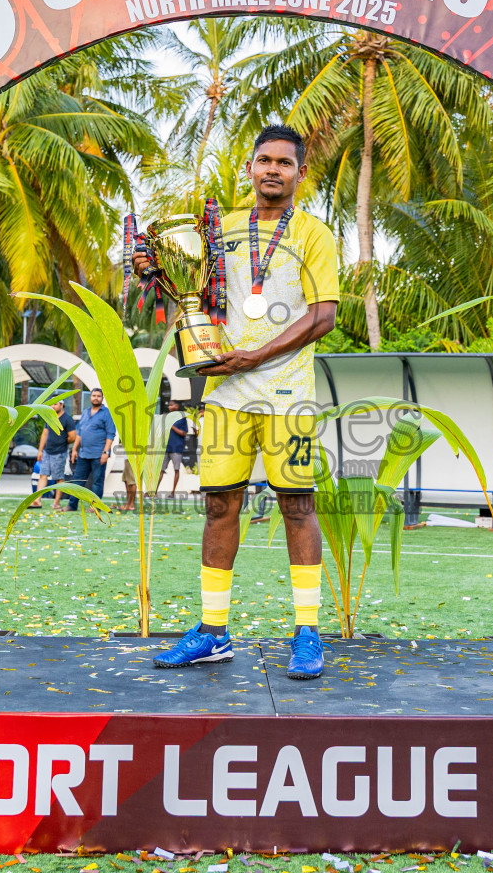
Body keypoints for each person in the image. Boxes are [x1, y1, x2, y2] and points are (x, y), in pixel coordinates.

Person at [144, 125, 339, 680]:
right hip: (226, 393)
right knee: (218, 508)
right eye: (263, 161)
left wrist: (258, 355)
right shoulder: (218, 229)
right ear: (250, 169)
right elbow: (193, 293)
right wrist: (156, 271)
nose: (272, 170)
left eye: (284, 162)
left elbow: (323, 315)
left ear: (301, 173)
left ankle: (306, 632)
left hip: (288, 395)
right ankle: (212, 632)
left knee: (297, 507)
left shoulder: (314, 235)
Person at [66, 388, 115, 512]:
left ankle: (95, 506)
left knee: (97, 482)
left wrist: (106, 452)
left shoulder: (106, 413)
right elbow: (79, 433)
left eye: (98, 396)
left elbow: (110, 434)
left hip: (99, 454)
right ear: (90, 397)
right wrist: (75, 449)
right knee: (77, 481)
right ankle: (72, 505)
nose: (96, 398)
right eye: (94, 395)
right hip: (83, 454)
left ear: (102, 398)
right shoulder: (86, 412)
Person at [29, 399, 76, 509]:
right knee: (42, 475)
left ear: (62, 405)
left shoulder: (67, 419)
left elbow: (72, 437)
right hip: (47, 452)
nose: (53, 406)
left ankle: (56, 503)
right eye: (52, 404)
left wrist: (61, 443)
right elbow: (45, 434)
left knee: (58, 478)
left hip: (59, 453)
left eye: (55, 404)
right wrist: (40, 450)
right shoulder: (50, 417)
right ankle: (37, 501)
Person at [162, 401, 190, 497]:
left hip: (176, 448)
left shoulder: (182, 417)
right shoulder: (166, 417)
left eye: (172, 404)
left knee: (176, 470)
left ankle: (172, 492)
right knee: (160, 470)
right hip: (165, 448)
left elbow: (184, 433)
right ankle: (153, 492)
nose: (169, 406)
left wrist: (173, 427)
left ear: (177, 406)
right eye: (169, 405)